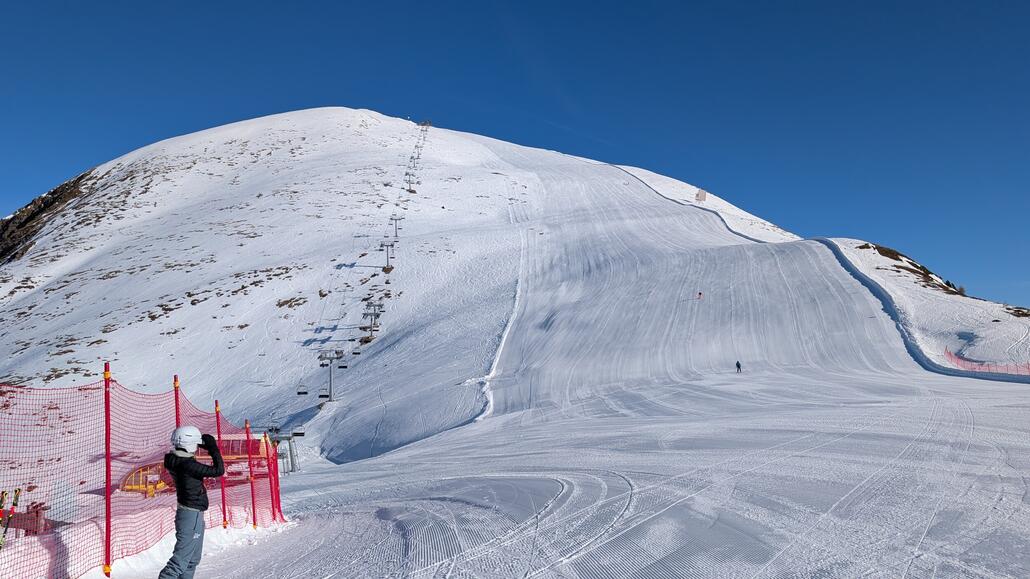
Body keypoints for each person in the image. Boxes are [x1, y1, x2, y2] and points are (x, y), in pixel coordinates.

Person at [159, 425, 224, 579]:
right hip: (190, 515)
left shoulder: (175, 459)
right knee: (180, 562)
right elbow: (218, 470)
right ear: (190, 444)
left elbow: (185, 449)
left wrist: (202, 443)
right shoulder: (187, 464)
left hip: (192, 514)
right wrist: (212, 448)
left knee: (192, 560)